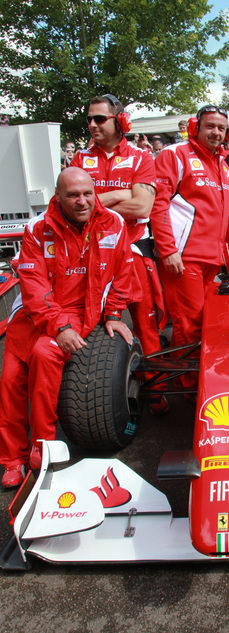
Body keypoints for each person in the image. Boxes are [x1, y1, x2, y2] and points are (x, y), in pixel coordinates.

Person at [0, 168, 135, 488]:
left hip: (81, 310)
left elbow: (124, 271)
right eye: (73, 195)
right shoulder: (37, 228)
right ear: (58, 197)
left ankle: (43, 446)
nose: (82, 201)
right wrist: (58, 325)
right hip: (35, 313)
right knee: (10, 379)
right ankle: (11, 460)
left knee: (45, 354)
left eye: (87, 193)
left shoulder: (112, 223)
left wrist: (114, 312)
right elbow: (33, 284)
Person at [150, 104, 229, 361]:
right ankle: (188, 388)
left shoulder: (224, 167)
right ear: (195, 128)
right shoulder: (175, 154)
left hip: (213, 259)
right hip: (183, 258)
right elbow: (158, 203)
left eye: (221, 127)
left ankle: (201, 381)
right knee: (189, 325)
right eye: (210, 126)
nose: (215, 132)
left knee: (205, 321)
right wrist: (168, 250)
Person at [71, 94, 165, 357]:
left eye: (100, 118)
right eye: (89, 119)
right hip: (90, 252)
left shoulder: (141, 157)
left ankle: (155, 397)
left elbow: (142, 208)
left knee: (146, 327)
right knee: (88, 323)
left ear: (121, 120)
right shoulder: (80, 158)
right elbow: (71, 208)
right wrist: (118, 194)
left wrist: (94, 205)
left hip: (133, 249)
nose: (92, 124)